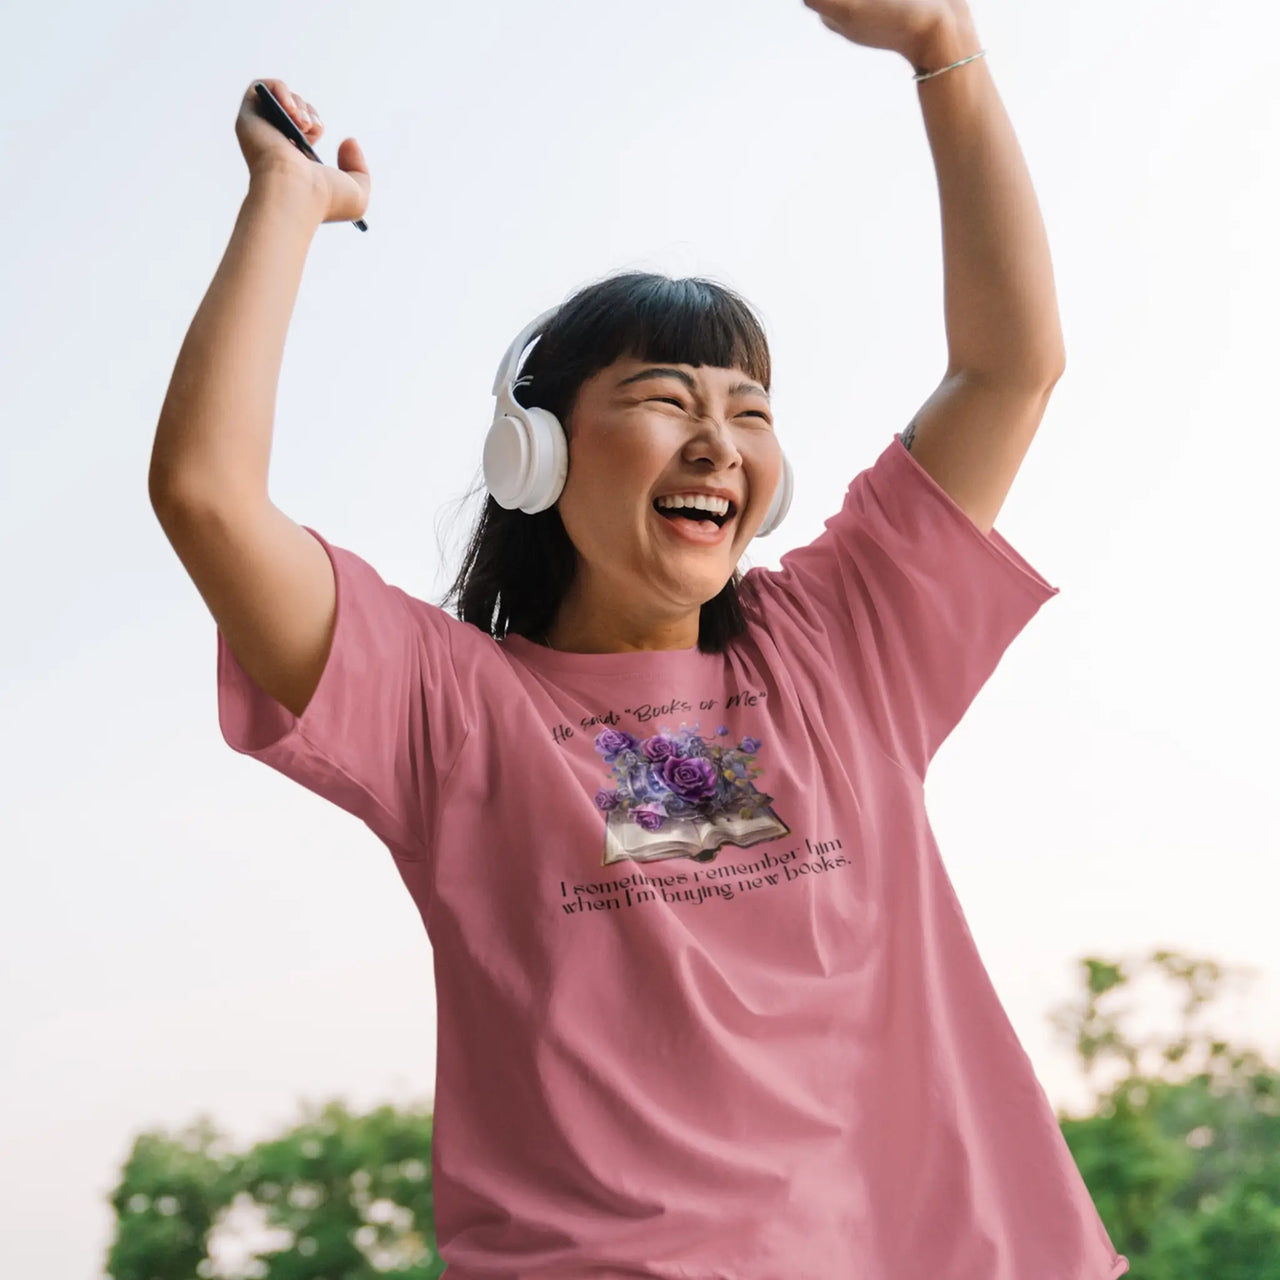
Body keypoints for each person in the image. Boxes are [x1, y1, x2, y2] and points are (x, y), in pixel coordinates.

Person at [148, 6, 1130, 1278]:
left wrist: (938, 40)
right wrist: (287, 199)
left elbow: (1008, 366)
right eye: (666, 399)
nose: (718, 438)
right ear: (534, 453)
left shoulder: (839, 644)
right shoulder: (446, 705)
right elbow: (208, 495)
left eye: (748, 410)